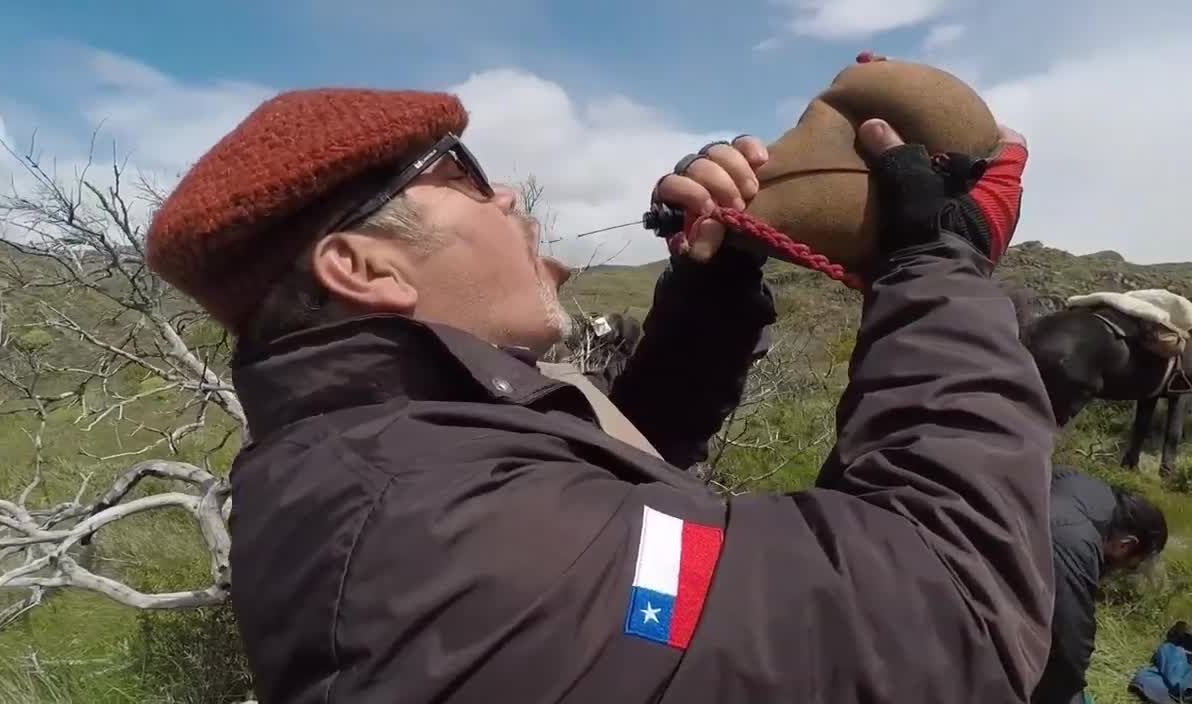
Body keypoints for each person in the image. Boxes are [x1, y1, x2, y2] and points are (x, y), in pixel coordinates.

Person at [144, 52, 1059, 703]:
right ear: (366, 269)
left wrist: (713, 287)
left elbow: (617, 503)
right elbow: (949, 613)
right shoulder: (448, 552)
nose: (507, 196)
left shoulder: (397, 455)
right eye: (461, 175)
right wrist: (940, 268)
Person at [1033, 466, 1169, 704]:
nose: (1115, 571)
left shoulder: (1086, 487)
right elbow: (1072, 640)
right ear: (1126, 544)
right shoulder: (1076, 542)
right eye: (1128, 566)